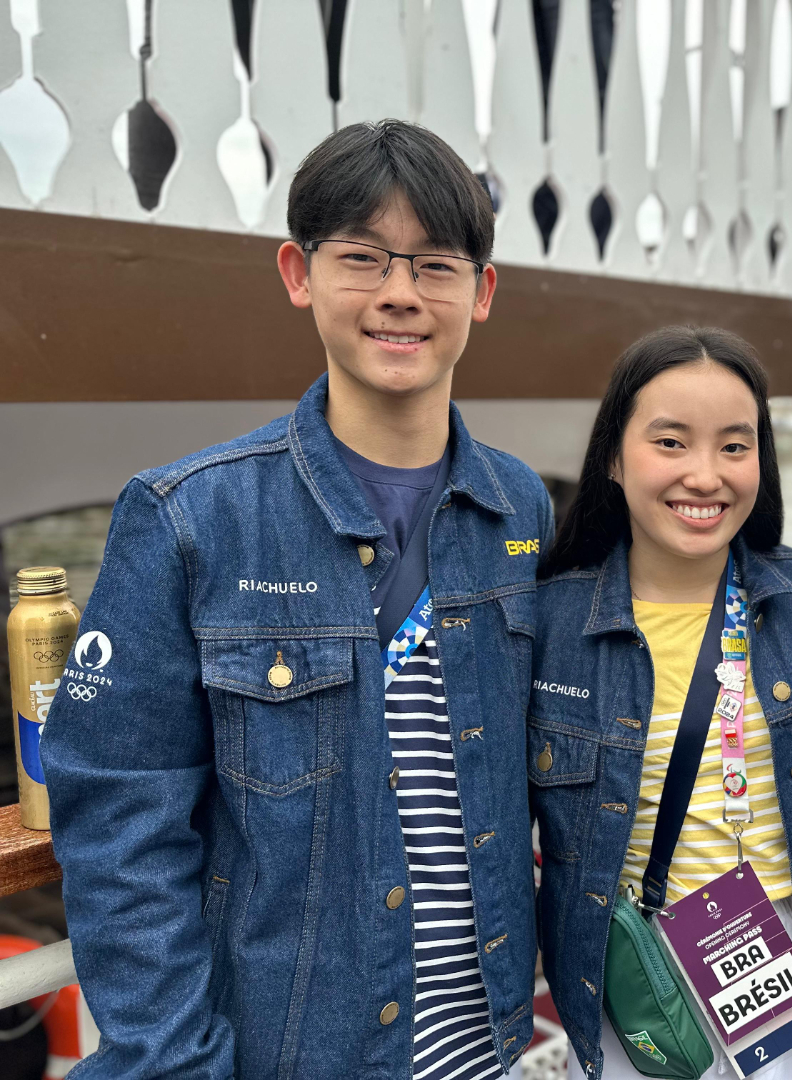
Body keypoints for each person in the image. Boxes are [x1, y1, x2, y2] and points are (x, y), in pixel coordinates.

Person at [41, 120, 552, 1080]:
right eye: (361, 258)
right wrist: (174, 1064)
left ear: (481, 293)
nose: (400, 293)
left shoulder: (516, 505)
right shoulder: (189, 517)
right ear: (298, 272)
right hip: (285, 1053)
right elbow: (121, 830)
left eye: (436, 264)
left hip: (483, 1047)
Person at [531, 327, 792, 1080]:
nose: (706, 475)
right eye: (670, 443)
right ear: (612, 458)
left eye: (735, 445)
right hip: (641, 983)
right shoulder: (551, 621)